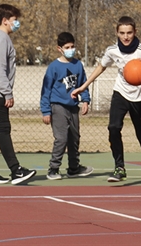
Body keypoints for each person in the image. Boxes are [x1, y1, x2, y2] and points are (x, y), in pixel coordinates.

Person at [71, 16, 141, 183]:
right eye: (122, 33)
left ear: (135, 32)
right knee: (113, 128)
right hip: (121, 93)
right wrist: (84, 86)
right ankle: (119, 167)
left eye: (129, 33)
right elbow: (101, 67)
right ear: (117, 33)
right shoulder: (112, 50)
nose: (126, 37)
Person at [0, 3, 36, 185]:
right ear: (4, 21)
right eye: (14, 20)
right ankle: (15, 170)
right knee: (3, 129)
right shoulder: (1, 38)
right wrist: (7, 93)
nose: (16, 23)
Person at [40, 31, 94, 180]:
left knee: (74, 138)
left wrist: (85, 100)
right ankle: (53, 169)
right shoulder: (53, 67)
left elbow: (83, 84)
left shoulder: (78, 65)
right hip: (58, 107)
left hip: (73, 107)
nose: (71, 49)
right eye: (67, 47)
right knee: (61, 139)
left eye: (72, 46)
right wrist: (46, 111)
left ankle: (73, 168)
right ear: (60, 48)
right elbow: (46, 90)